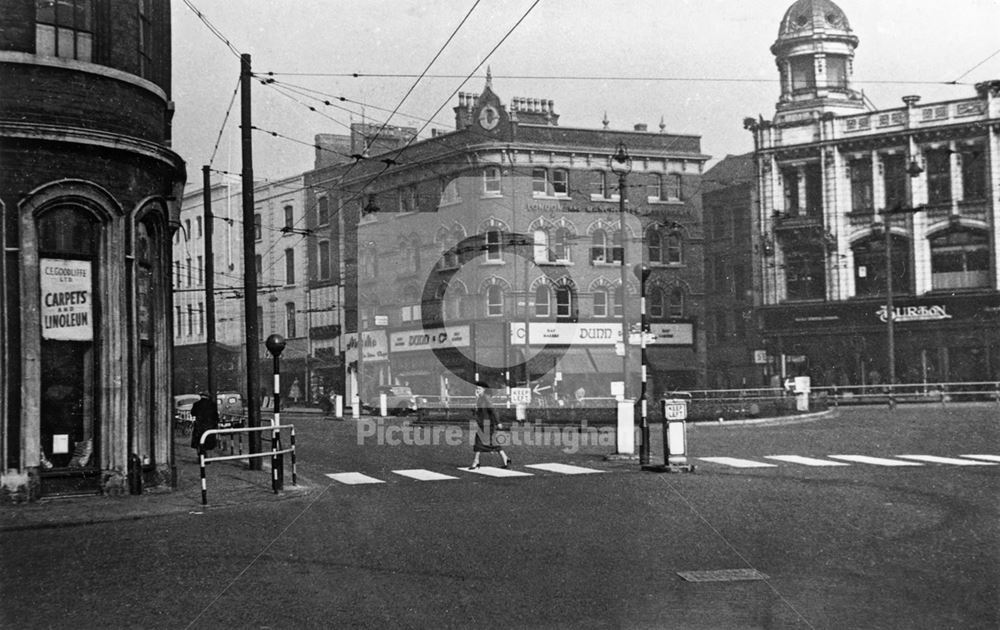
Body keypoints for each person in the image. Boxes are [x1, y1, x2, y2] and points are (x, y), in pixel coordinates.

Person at [469, 381, 510, 470]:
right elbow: (476, 411)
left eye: (479, 388)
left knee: (480, 441)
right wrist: (476, 400)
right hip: (482, 424)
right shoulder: (480, 398)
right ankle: (505, 458)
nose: (477, 390)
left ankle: (476, 461)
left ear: (484, 389)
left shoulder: (486, 398)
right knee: (491, 442)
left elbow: (493, 410)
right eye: (477, 388)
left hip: (488, 424)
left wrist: (498, 422)